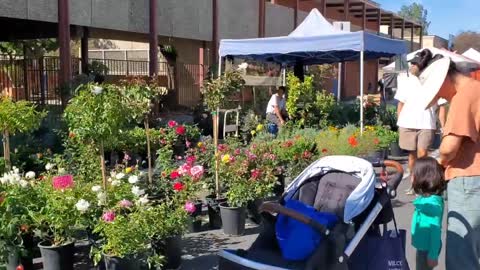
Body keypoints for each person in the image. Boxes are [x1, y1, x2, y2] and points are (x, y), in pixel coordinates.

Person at [414, 49, 480, 269]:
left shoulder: (463, 96)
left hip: (467, 180)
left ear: (444, 80)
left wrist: (437, 164)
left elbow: (449, 147)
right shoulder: (477, 88)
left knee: (462, 253)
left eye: (438, 92)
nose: (441, 97)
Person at [395, 50, 447, 195]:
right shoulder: (406, 80)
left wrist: (443, 127)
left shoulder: (434, 81)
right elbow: (401, 103)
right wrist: (400, 121)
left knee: (423, 154)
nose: (412, 66)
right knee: (411, 156)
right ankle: (414, 183)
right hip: (407, 123)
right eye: (412, 63)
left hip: (426, 123)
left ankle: (423, 183)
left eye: (415, 63)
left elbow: (441, 106)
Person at [411, 157, 446, 270]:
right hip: (423, 246)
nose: (411, 177)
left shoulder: (431, 206)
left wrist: (433, 255)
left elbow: (435, 231)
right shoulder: (427, 199)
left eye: (413, 174)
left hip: (427, 249)